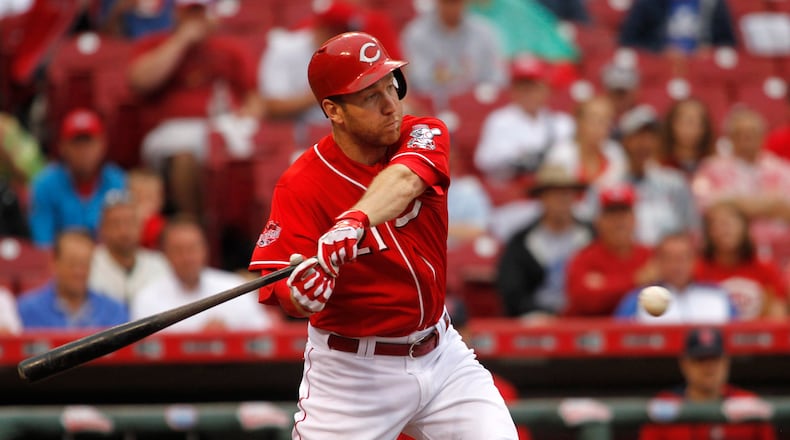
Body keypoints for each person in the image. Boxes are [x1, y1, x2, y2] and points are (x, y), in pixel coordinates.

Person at [247, 32, 518, 439]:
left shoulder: (424, 132)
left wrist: (353, 221)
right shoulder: (300, 185)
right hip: (354, 376)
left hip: (442, 354)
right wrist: (300, 294)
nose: (391, 105)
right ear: (334, 111)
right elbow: (280, 284)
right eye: (370, 96)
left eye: (391, 86)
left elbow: (406, 180)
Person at [128, 0, 263, 217]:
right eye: (189, 13)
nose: (195, 20)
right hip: (172, 132)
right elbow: (141, 81)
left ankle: (234, 229)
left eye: (199, 13)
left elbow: (254, 99)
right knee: (185, 158)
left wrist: (247, 116)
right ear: (176, 15)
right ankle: (193, 226)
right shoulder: (155, 44)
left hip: (222, 128)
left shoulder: (228, 48)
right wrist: (181, 40)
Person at [132, 217, 274, 332]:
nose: (187, 257)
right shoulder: (147, 297)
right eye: (178, 250)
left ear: (205, 249)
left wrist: (230, 337)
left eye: (193, 248)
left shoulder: (235, 287)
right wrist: (200, 339)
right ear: (165, 254)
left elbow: (264, 335)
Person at [639, 327, 777, 440]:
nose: (709, 368)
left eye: (714, 359)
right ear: (685, 364)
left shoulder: (749, 404)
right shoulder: (664, 406)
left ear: (726, 362)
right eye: (701, 360)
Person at [497, 164, 592, 320]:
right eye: (555, 194)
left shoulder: (590, 235)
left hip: (584, 316)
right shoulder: (521, 241)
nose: (563, 199)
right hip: (538, 319)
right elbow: (512, 292)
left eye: (568, 193)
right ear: (541, 197)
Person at [692, 106, 790, 254]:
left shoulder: (782, 169)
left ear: (762, 136)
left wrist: (733, 203)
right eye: (740, 134)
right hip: (730, 252)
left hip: (779, 250)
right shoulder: (711, 168)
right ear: (730, 138)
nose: (747, 138)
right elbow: (704, 205)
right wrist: (769, 205)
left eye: (752, 133)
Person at [601, 104, 700, 245]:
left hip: (668, 262)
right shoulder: (608, 184)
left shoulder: (675, 182)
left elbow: (691, 230)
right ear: (625, 141)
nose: (644, 143)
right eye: (638, 136)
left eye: (651, 136)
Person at [28, 108, 126, 248]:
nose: (83, 151)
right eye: (76, 143)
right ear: (62, 147)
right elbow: (43, 243)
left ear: (102, 145)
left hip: (107, 264)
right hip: (63, 265)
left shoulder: (117, 181)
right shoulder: (45, 185)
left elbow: (123, 237)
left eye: (89, 142)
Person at [474, 55, 575, 181]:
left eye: (534, 87)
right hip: (511, 186)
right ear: (513, 90)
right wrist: (519, 157)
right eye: (523, 87)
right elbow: (483, 161)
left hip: (549, 188)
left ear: (546, 90)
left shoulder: (562, 123)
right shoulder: (499, 121)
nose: (529, 93)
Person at [564, 183, 657, 316]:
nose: (618, 222)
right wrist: (635, 281)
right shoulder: (583, 258)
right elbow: (585, 299)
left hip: (642, 333)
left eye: (623, 214)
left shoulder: (650, 255)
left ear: (635, 219)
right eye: (611, 214)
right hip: (593, 332)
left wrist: (605, 285)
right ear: (598, 221)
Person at [400, 0, 507, 109]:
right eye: (447, 2)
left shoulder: (484, 31)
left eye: (456, 2)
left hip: (476, 105)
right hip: (435, 107)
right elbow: (418, 81)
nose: (452, 7)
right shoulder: (417, 33)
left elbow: (496, 77)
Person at [17, 229, 129, 330]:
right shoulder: (27, 310)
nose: (78, 272)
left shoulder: (114, 311)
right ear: (54, 263)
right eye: (72, 264)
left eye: (85, 264)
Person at [695, 202, 787, 321]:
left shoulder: (765, 268)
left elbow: (778, 315)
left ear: (744, 228)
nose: (725, 231)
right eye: (718, 225)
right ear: (709, 233)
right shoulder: (699, 270)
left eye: (730, 223)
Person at [615, 233, 736, 323]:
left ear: (694, 261)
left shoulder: (717, 295)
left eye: (682, 258)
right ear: (658, 261)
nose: (677, 265)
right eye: (669, 259)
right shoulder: (636, 300)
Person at [88, 190, 169, 305]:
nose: (124, 231)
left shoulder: (159, 265)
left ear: (141, 226)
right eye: (115, 223)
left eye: (130, 222)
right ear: (102, 229)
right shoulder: (89, 265)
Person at [544, 95, 626, 190]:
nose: (598, 126)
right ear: (578, 121)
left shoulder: (615, 153)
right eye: (592, 119)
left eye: (604, 120)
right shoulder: (560, 154)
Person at [618, 0, 737, 56]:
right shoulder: (647, 4)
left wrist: (710, 51)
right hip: (660, 65)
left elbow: (728, 43)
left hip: (702, 69)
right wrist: (660, 50)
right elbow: (627, 41)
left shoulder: (713, 4)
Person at [660, 98, 715, 179]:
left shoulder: (713, 165)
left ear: (705, 128)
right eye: (685, 121)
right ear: (671, 125)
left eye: (696, 122)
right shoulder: (661, 166)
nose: (689, 128)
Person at [126, 167, 167, 249]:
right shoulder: (123, 222)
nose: (144, 204)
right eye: (138, 198)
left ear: (160, 200)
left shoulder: (162, 225)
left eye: (149, 197)